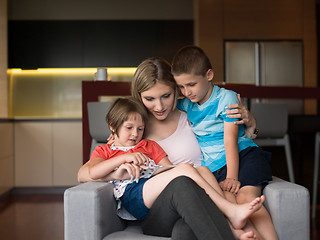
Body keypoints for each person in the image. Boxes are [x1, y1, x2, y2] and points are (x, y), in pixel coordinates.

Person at [78, 57, 261, 240]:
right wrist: (118, 167)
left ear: (176, 90)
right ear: (139, 96)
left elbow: (227, 141)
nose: (159, 106)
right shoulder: (135, 128)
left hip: (200, 200)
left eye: (166, 96)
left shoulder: (192, 114)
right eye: (149, 99)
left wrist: (251, 125)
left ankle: (234, 229)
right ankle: (231, 216)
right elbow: (86, 173)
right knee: (182, 181)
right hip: (159, 208)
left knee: (184, 232)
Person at [171, 45, 278, 240]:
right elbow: (157, 108)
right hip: (214, 167)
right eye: (181, 86)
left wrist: (232, 176)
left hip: (243, 157)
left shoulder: (226, 98)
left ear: (209, 75)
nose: (187, 92)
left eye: (192, 84)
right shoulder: (186, 104)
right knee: (230, 204)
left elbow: (230, 141)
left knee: (247, 199)